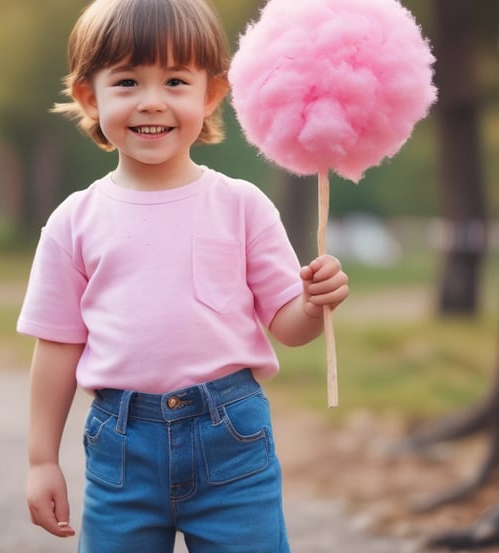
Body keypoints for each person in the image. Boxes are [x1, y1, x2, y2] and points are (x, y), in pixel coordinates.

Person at [17, 0, 350, 551]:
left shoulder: (242, 205)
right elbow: (56, 347)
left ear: (211, 94)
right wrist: (40, 460)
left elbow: (288, 326)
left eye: (175, 80)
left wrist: (314, 303)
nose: (152, 102)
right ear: (88, 96)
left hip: (232, 442)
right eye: (126, 81)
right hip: (121, 447)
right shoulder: (73, 221)